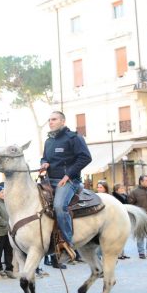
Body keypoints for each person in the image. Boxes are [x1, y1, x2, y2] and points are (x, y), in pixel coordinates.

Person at [39, 111, 92, 260]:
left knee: (59, 206)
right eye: (49, 120)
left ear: (63, 121)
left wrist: (68, 175)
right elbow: (44, 157)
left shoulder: (74, 137)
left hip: (69, 181)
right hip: (49, 181)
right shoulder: (48, 141)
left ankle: (68, 244)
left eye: (54, 119)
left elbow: (86, 158)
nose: (50, 122)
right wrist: (44, 163)